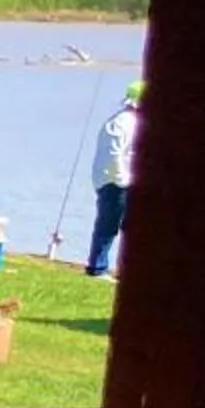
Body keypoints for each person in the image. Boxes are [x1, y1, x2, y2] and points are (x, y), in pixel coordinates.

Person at [88, 81, 141, 278]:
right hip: (115, 182)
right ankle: (98, 267)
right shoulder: (122, 122)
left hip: (126, 181)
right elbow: (114, 154)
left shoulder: (135, 122)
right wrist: (122, 180)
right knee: (108, 225)